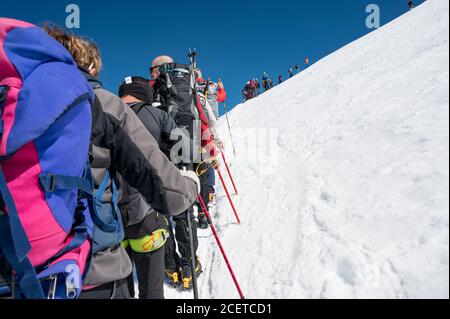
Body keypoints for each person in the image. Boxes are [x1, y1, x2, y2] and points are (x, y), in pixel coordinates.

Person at [44, 28, 200, 299]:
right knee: (151, 286)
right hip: (106, 250)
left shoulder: (15, 103)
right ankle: (184, 267)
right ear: (91, 67)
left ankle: (176, 267)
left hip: (29, 262)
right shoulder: (107, 107)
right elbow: (177, 168)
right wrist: (191, 179)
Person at [151, 55, 215, 290]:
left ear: (157, 71)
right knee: (183, 209)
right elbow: (204, 119)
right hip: (188, 151)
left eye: (152, 70)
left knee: (161, 212)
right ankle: (190, 265)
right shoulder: (188, 90)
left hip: (162, 157)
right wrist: (208, 147)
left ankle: (170, 266)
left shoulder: (154, 92)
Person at [118, 76, 183, 299]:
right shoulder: (158, 116)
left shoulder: (101, 112)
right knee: (151, 291)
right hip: (147, 217)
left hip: (109, 222)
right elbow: (187, 152)